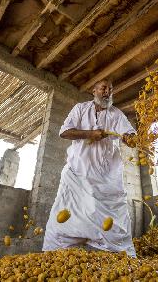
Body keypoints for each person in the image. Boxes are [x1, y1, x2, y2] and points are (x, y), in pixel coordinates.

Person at [42, 79, 137, 257]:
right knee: (64, 213)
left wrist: (130, 137)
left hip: (106, 176)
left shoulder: (116, 114)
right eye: (103, 88)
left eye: (110, 89)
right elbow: (64, 132)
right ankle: (55, 255)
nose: (107, 92)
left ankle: (119, 256)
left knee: (114, 219)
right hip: (77, 172)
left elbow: (129, 133)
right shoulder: (80, 109)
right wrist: (89, 134)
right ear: (94, 91)